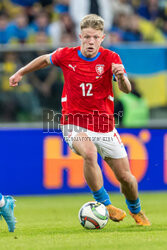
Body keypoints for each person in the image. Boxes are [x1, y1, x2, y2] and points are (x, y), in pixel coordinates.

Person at [9, 14, 150, 226]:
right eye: (86, 37)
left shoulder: (111, 58)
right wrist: (20, 72)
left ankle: (136, 211)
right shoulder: (67, 55)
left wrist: (121, 77)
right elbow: (44, 59)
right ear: (80, 37)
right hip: (73, 121)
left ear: (102, 38)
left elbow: (126, 89)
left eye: (95, 37)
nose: (90, 41)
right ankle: (106, 204)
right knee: (89, 153)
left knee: (127, 179)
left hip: (104, 125)